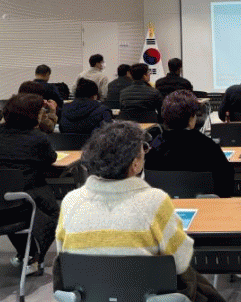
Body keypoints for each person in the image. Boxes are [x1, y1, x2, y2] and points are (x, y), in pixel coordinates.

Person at [54, 121, 225, 302]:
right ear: (135, 164)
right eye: (143, 150)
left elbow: (63, 259)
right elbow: (181, 262)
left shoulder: (70, 202)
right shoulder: (155, 201)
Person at [0, 93, 59, 274]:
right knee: (53, 211)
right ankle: (35, 256)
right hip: (22, 205)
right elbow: (51, 158)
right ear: (34, 115)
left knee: (15, 197)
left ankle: (25, 253)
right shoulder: (37, 138)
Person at [146, 90, 234, 198]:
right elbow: (227, 183)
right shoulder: (207, 145)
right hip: (205, 206)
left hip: (164, 204)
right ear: (191, 118)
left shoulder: (155, 145)